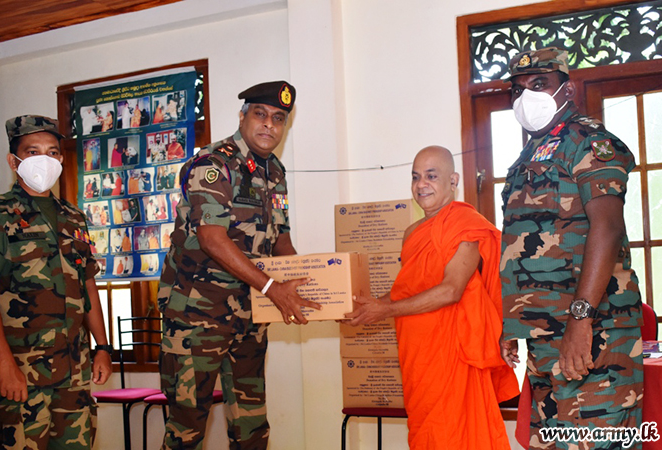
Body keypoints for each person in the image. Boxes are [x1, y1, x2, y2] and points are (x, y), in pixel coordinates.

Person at [158, 80, 319, 449]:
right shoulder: (214, 164)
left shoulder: (274, 173)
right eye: (260, 114)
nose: (269, 126)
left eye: (279, 119)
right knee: (187, 428)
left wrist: (317, 286)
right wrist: (271, 288)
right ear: (243, 116)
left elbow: (281, 241)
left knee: (251, 426)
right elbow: (213, 238)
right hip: (196, 315)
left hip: (250, 314)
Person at [499, 47, 643, 449]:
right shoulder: (529, 153)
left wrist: (581, 319)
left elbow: (608, 228)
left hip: (594, 335)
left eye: (539, 83)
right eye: (518, 89)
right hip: (544, 339)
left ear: (569, 89)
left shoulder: (591, 143)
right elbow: (521, 241)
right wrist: (512, 322)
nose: (527, 96)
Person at [346, 146, 518, 449]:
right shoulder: (412, 232)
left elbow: (452, 290)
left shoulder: (465, 225)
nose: (421, 184)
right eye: (415, 177)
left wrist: (384, 311)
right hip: (418, 354)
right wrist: (364, 307)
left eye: (431, 176)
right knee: (426, 432)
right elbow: (405, 292)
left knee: (456, 434)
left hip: (453, 352)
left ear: (453, 180)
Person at [0, 115, 113, 449]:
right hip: (19, 372)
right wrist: (4, 363)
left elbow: (87, 285)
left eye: (52, 152)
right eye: (32, 152)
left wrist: (103, 347)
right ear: (13, 161)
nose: (43, 160)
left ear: (60, 159)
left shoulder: (73, 217)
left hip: (73, 373)